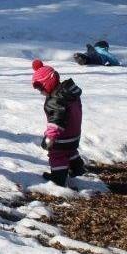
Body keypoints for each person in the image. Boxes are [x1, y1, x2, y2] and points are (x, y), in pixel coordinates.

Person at [32, 58, 85, 187]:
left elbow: (55, 122)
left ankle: (58, 179)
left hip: (62, 137)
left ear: (48, 83)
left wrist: (50, 138)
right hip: (74, 134)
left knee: (57, 155)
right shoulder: (69, 93)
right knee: (70, 151)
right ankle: (77, 168)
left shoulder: (56, 101)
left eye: (41, 88)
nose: (41, 93)